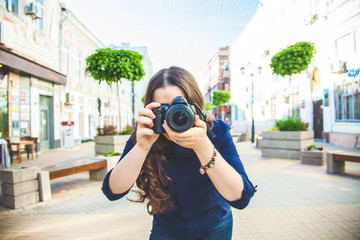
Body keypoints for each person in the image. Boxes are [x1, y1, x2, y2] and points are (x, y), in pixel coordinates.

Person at [102, 66, 257, 240]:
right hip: (166, 228)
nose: (174, 116)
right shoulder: (146, 135)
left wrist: (203, 146)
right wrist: (142, 147)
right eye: (164, 109)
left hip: (215, 224)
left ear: (196, 107)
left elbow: (241, 199)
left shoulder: (216, 131)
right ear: (151, 109)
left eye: (181, 107)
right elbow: (112, 191)